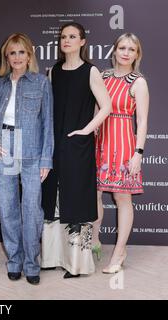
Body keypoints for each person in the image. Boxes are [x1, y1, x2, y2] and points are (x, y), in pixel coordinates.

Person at [41, 22, 112, 279]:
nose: (66, 40)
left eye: (72, 36)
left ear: (82, 41)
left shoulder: (91, 71)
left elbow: (106, 107)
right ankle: (52, 258)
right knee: (53, 201)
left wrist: (86, 130)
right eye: (63, 37)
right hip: (55, 146)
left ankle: (77, 264)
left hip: (78, 147)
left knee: (77, 202)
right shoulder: (54, 71)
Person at [0, 33, 53, 285]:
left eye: (21, 52)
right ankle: (14, 260)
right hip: (3, 146)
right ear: (7, 56)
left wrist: (46, 158)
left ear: (29, 55)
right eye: (12, 52)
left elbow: (48, 122)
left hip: (32, 150)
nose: (17, 57)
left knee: (32, 210)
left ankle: (31, 262)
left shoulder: (41, 83)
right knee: (7, 209)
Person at [93, 33, 149, 273]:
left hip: (124, 145)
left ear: (137, 54)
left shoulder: (138, 82)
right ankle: (93, 240)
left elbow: (143, 121)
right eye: (122, 48)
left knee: (121, 198)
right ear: (114, 50)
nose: (126, 52)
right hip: (100, 144)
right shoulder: (102, 76)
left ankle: (119, 251)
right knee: (94, 194)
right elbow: (96, 110)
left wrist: (138, 152)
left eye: (131, 49)